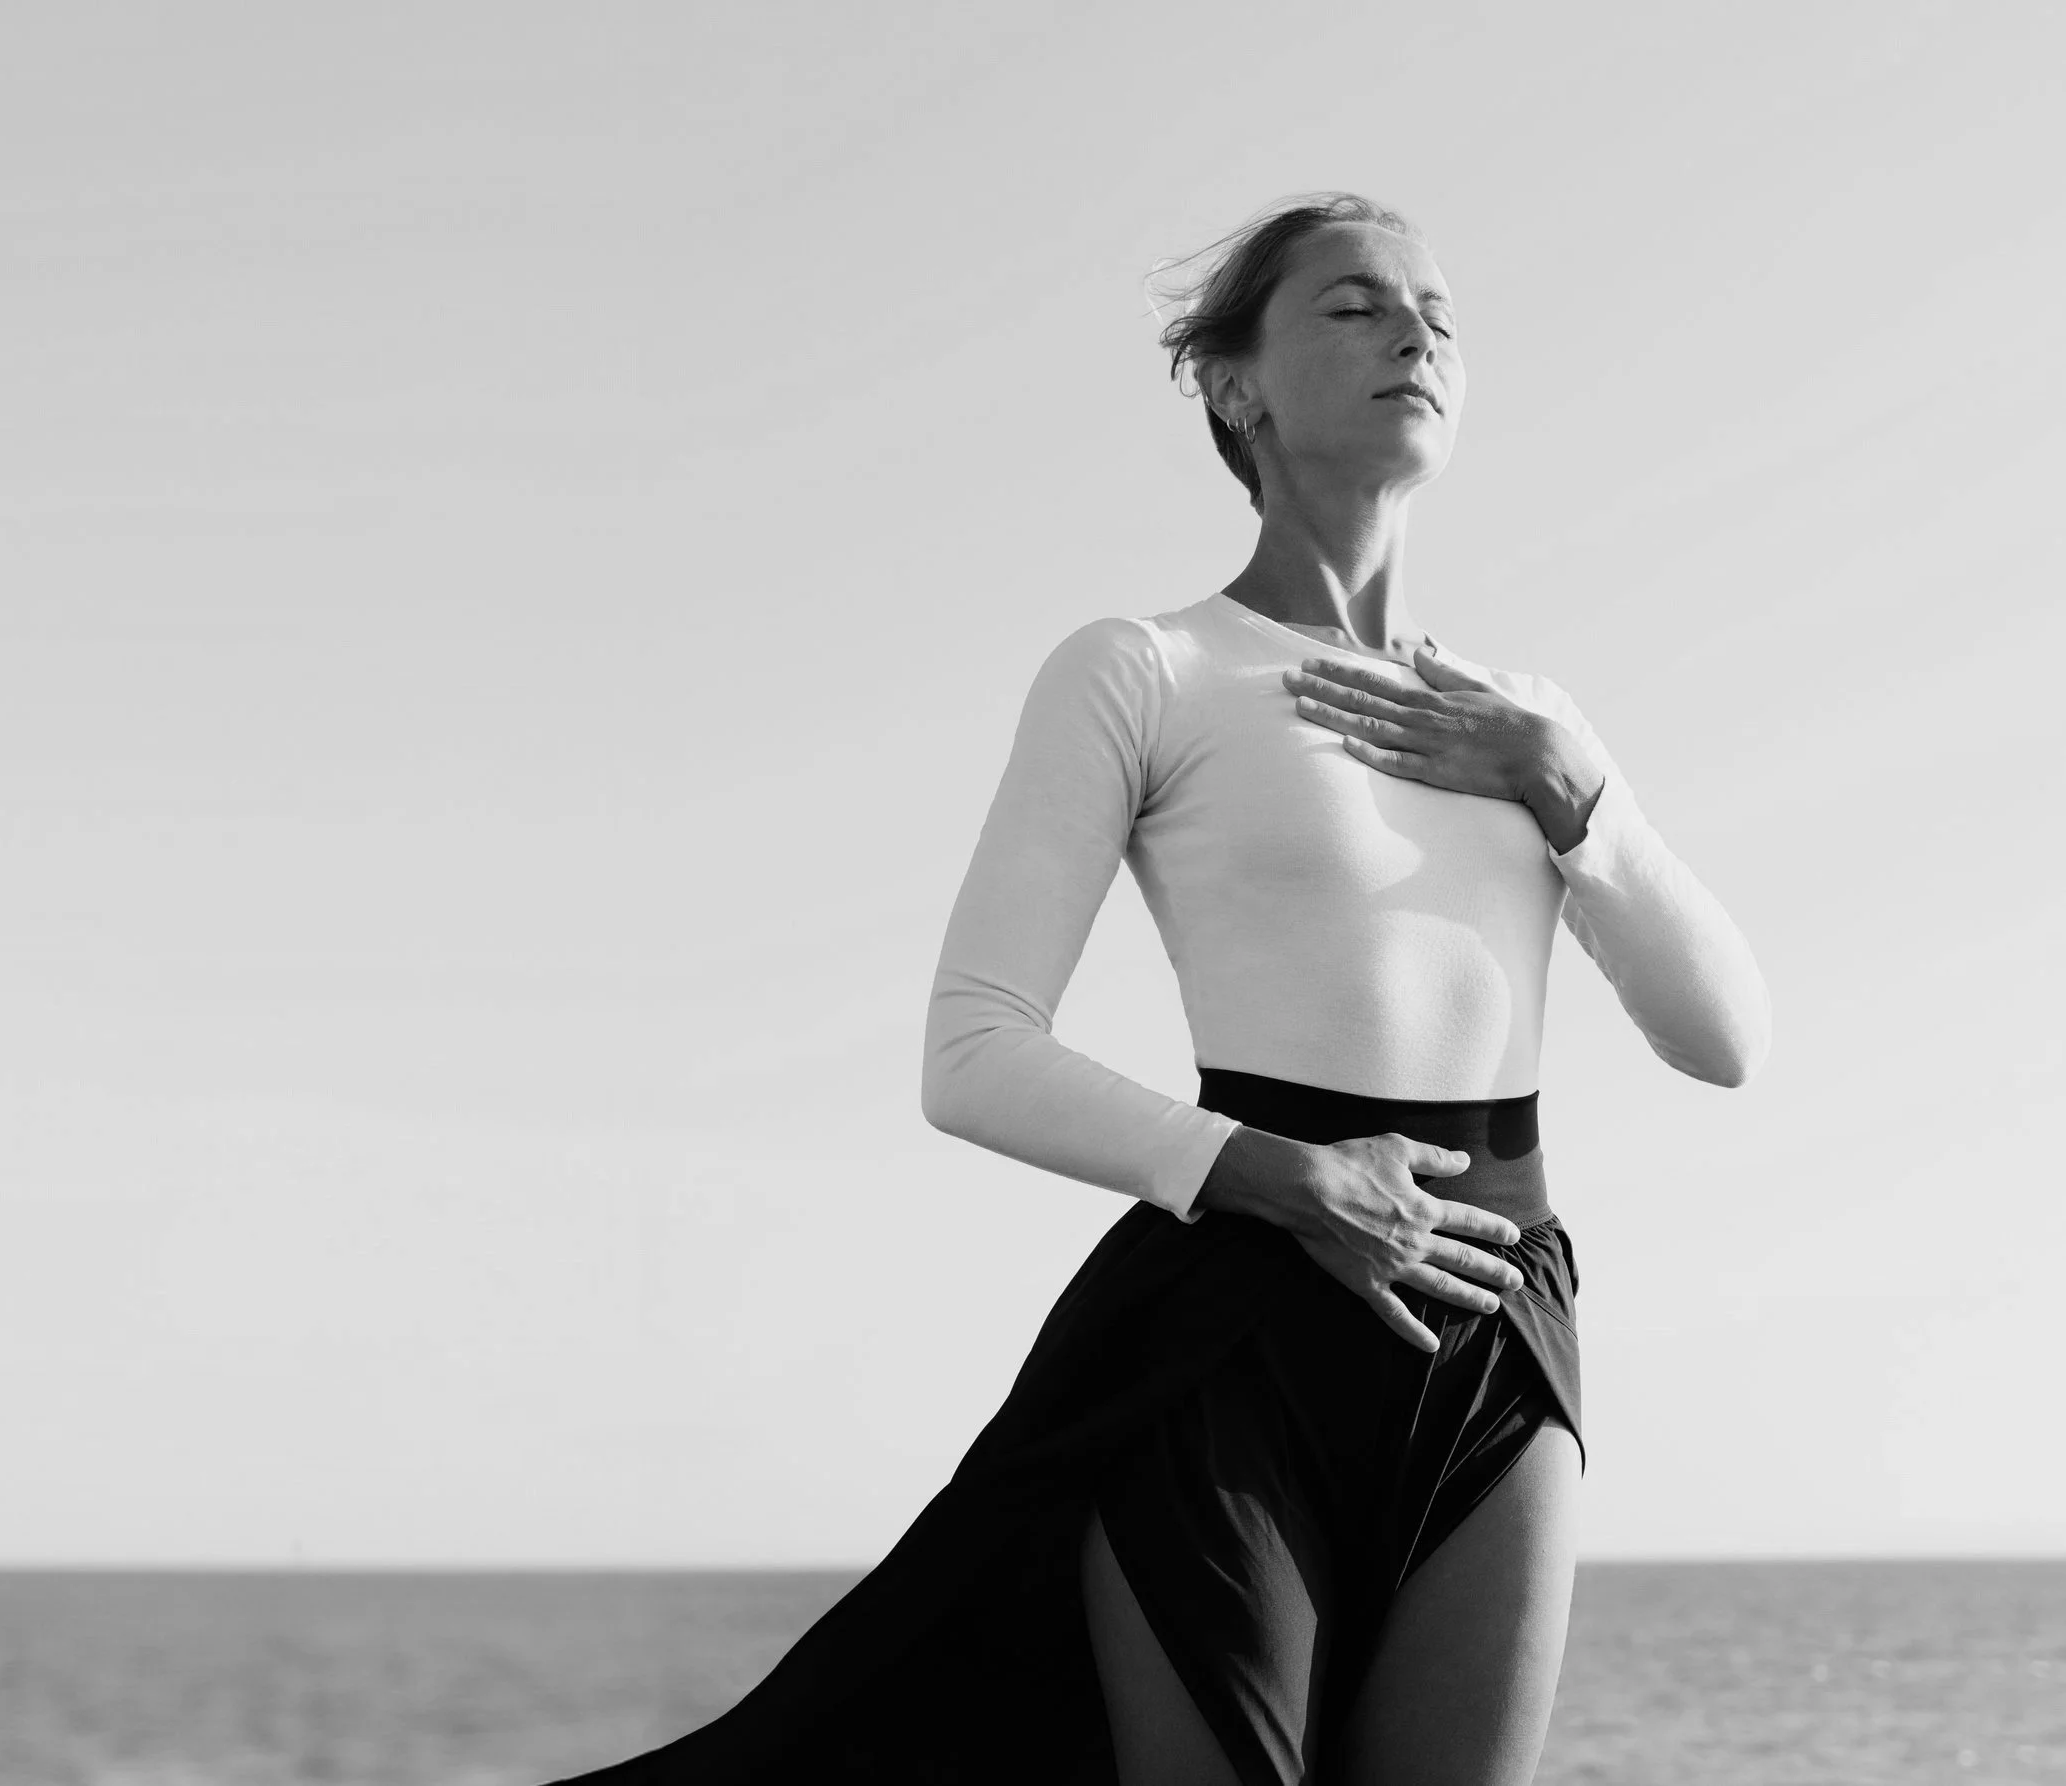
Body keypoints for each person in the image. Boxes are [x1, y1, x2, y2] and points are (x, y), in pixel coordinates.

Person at [547, 191, 1770, 1786]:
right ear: (1235, 387)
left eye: (1441, 311)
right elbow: (970, 1050)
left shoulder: (1532, 723)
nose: (1417, 331)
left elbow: (1723, 1039)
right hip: (1233, 1333)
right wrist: (1276, 1173)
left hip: (1496, 1336)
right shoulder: (1145, 668)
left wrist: (1575, 790)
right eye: (1353, 305)